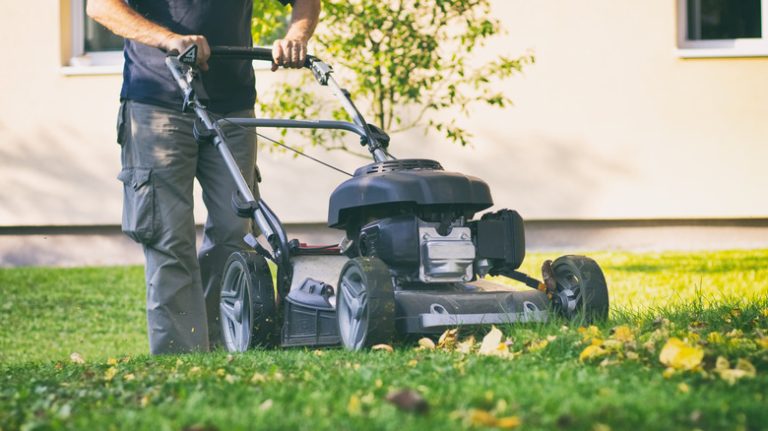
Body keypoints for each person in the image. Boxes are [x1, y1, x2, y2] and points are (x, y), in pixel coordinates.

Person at [87, 0, 321, 354]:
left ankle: (219, 345)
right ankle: (180, 357)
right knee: (169, 238)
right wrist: (169, 39)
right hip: (158, 102)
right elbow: (101, 7)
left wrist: (295, 36)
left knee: (234, 232)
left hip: (232, 105)